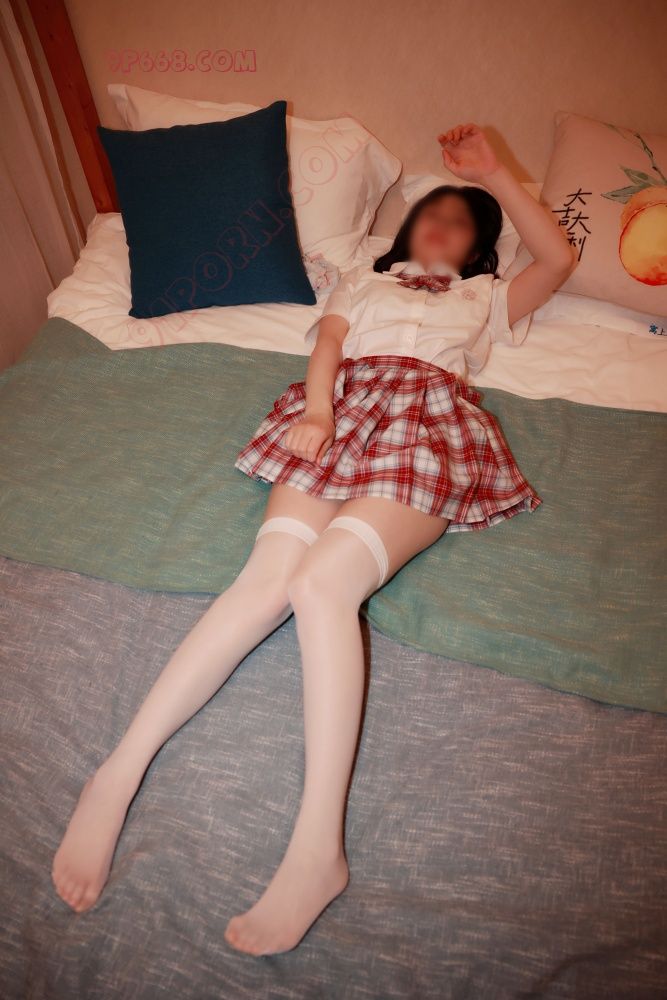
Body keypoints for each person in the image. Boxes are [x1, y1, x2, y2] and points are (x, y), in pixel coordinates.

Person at [51, 123, 575, 956]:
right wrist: (320, 415)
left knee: (321, 585)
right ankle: (117, 774)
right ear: (406, 231)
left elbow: (557, 258)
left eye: (461, 221)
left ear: (479, 248)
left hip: (425, 426)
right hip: (336, 414)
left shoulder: (486, 299)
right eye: (431, 213)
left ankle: (316, 847)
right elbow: (328, 347)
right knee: (263, 581)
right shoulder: (362, 283)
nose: (442, 225)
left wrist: (495, 174)